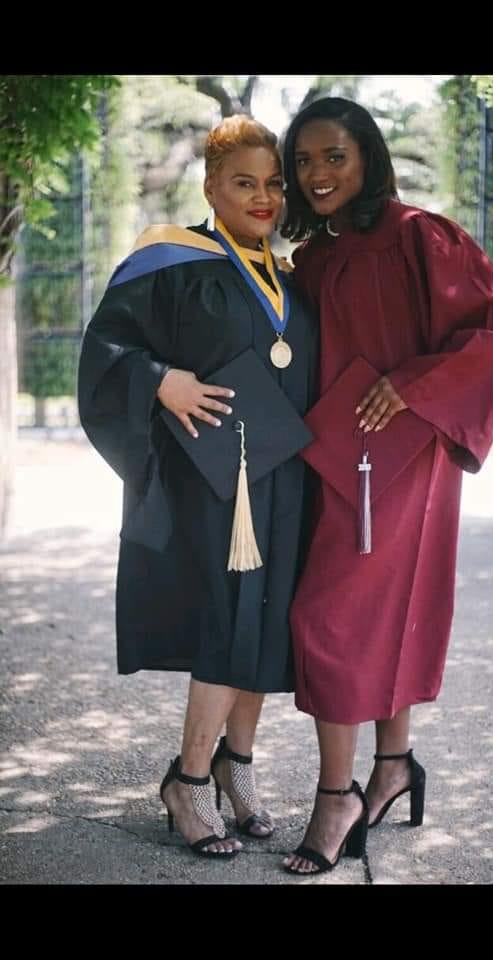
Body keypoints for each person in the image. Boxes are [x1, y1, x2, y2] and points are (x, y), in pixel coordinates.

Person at [279, 96, 493, 875]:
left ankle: (335, 797)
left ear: (369, 158)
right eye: (305, 161)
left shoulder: (424, 237)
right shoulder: (316, 258)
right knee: (367, 611)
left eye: (334, 157)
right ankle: (393, 766)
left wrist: (413, 385)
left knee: (331, 615)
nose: (317, 173)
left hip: (405, 451)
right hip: (336, 450)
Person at [78, 115, 318, 861]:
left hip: (283, 477)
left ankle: (235, 769)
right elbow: (106, 348)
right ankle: (185, 779)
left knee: (268, 624)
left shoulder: (289, 276)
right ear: (211, 186)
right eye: (244, 182)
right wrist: (160, 381)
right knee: (225, 622)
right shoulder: (169, 259)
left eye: (274, 183)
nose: (263, 197)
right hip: (213, 482)